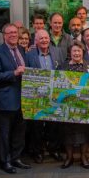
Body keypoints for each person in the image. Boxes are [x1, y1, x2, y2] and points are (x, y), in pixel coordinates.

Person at [0, 24, 30, 174]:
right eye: (10, 33)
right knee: (5, 134)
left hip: (23, 99)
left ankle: (16, 158)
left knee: (19, 132)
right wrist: (14, 73)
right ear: (4, 35)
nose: (13, 35)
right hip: (5, 100)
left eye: (15, 32)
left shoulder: (20, 49)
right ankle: (5, 161)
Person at [25, 29, 66, 164]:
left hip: (55, 95)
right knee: (37, 126)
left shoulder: (58, 52)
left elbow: (62, 70)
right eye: (41, 38)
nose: (44, 40)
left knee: (53, 125)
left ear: (49, 39)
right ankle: (37, 151)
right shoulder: (29, 55)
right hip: (37, 96)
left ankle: (53, 149)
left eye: (46, 38)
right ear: (36, 41)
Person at [58, 41, 89, 169]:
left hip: (85, 106)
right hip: (67, 106)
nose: (76, 53)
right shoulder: (62, 67)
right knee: (67, 132)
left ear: (83, 52)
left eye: (79, 51)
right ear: (70, 53)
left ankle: (84, 157)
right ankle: (69, 158)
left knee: (85, 132)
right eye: (74, 51)